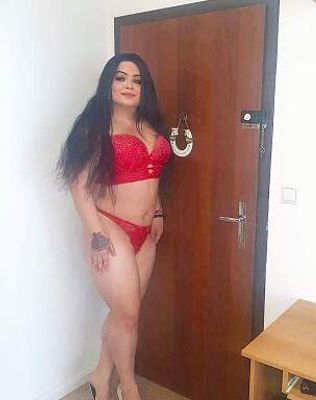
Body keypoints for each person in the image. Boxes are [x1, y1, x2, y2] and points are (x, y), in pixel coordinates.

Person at [57, 53, 172, 400]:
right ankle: (129, 387)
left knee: (125, 314)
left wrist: (158, 213)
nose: (129, 86)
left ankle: (99, 376)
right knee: (128, 313)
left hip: (145, 234)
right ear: (108, 83)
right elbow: (79, 186)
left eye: (137, 80)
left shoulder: (151, 126)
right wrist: (96, 235)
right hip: (110, 229)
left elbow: (153, 176)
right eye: (120, 78)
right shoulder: (95, 127)